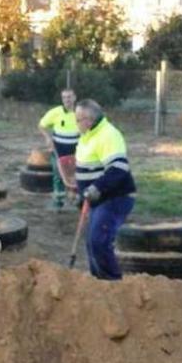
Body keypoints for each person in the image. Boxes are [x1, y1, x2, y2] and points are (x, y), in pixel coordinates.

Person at [74, 99, 136, 280]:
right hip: (97, 199)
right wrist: (81, 194)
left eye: (78, 119)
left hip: (115, 198)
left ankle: (112, 284)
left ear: (89, 119)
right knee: (91, 244)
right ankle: (98, 283)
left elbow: (118, 168)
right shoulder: (87, 136)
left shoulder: (108, 135)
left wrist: (96, 188)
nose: (75, 123)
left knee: (99, 241)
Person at [38, 89, 78, 209]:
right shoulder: (55, 112)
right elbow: (41, 125)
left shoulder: (80, 113)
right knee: (58, 173)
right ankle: (58, 201)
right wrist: (48, 138)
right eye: (64, 97)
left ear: (75, 98)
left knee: (76, 174)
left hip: (77, 150)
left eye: (69, 97)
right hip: (59, 149)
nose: (67, 100)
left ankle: (76, 199)